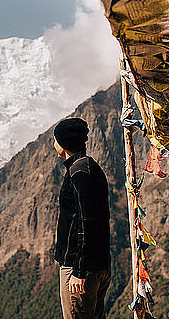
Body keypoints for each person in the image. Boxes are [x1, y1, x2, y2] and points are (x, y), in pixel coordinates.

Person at [53, 117, 111, 319]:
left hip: (80, 268)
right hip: (96, 264)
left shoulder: (79, 172)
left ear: (63, 144)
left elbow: (88, 222)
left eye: (55, 140)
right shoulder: (88, 167)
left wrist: (79, 270)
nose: (54, 145)